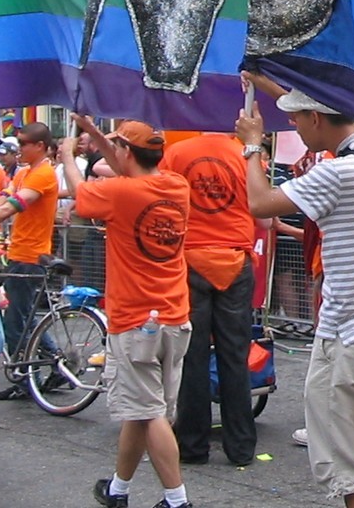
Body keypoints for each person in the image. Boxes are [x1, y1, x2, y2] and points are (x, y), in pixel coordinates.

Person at [240, 86, 354, 507]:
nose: (291, 123)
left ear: (317, 119)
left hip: (350, 332)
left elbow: (259, 202)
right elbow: (327, 104)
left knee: (353, 469)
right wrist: (271, 80)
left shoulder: (337, 173)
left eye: (297, 117)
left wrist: (252, 145)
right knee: (349, 459)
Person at [63, 119, 194, 508]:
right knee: (141, 410)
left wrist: (69, 156)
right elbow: (128, 165)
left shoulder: (120, 192)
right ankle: (118, 489)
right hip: (174, 316)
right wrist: (95, 132)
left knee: (148, 412)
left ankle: (177, 500)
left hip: (135, 320)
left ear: (126, 154)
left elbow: (81, 194)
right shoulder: (176, 185)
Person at [161, 129, 258, 467]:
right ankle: (241, 446)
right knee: (235, 355)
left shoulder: (177, 152)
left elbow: (165, 204)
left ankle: (192, 444)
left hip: (190, 257)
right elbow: (261, 209)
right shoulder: (247, 154)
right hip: (235, 256)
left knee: (192, 356)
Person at [0, 121, 61, 398]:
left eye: (23, 143)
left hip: (30, 256)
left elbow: (11, 208)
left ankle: (27, 379)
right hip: (20, 253)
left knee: (15, 323)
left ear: (39, 146)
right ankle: (56, 364)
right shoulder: (24, 172)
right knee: (23, 318)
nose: (18, 147)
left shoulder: (43, 175)